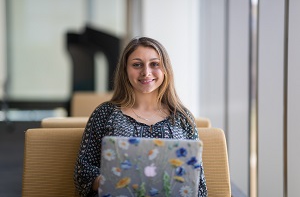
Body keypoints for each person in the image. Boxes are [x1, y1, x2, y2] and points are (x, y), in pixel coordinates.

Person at [74, 37, 207, 196]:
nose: (146, 72)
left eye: (154, 64)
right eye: (137, 64)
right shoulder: (105, 113)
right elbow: (83, 172)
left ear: (165, 69)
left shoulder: (183, 117)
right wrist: (115, 182)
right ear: (125, 70)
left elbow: (199, 183)